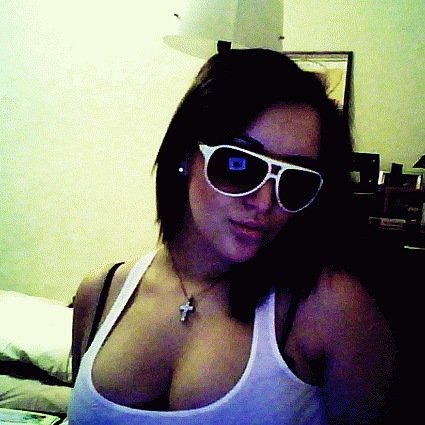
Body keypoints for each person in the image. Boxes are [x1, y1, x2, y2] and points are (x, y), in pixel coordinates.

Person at [66, 49, 396, 424]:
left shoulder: (329, 309)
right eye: (239, 164)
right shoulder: (100, 293)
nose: (265, 202)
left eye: (294, 180)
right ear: (185, 155)